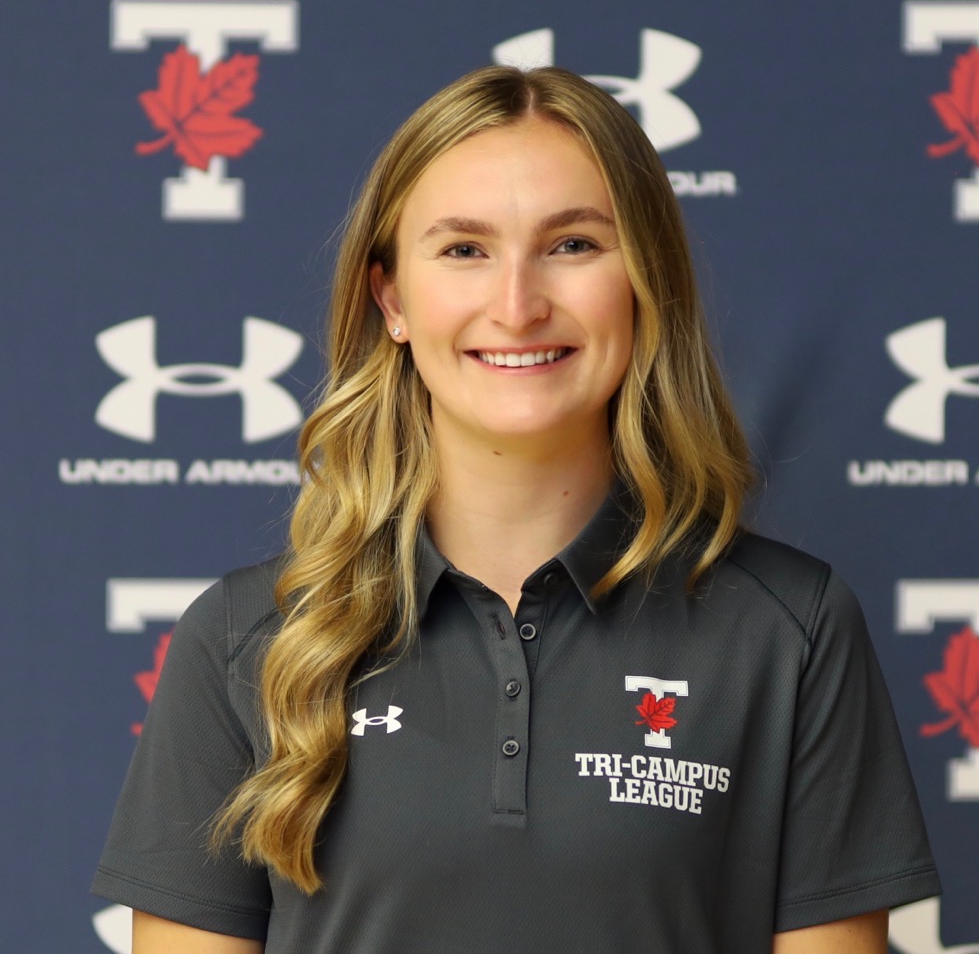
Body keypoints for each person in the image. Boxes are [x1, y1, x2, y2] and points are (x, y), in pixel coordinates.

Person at [93, 65, 940, 953]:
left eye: (571, 244)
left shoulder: (790, 628)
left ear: (645, 278)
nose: (516, 305)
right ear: (391, 299)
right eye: (464, 250)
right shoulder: (244, 637)